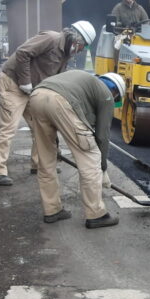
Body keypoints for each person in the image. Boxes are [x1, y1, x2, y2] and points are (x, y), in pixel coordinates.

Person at [0, 21, 95, 186]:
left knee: (41, 127)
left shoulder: (65, 54)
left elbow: (56, 79)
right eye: (83, 47)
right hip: (13, 83)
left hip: (32, 90)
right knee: (8, 128)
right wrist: (25, 81)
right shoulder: (51, 39)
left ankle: (38, 164)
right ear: (77, 39)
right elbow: (22, 53)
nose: (81, 51)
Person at [26, 70, 123, 229]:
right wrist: (103, 167)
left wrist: (55, 144)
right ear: (115, 92)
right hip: (60, 101)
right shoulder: (106, 94)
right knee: (90, 156)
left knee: (46, 159)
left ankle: (52, 210)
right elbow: (102, 135)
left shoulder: (83, 81)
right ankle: (96, 214)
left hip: (36, 97)